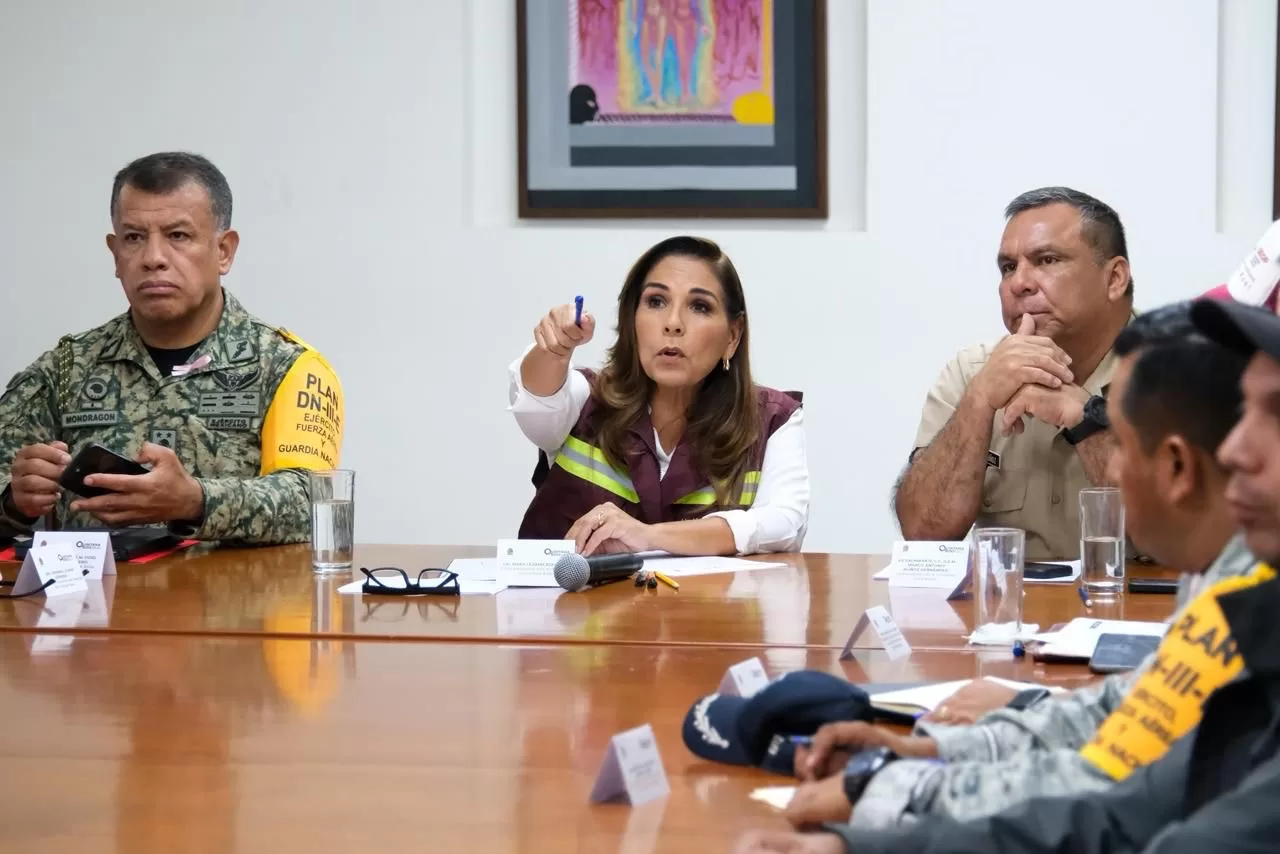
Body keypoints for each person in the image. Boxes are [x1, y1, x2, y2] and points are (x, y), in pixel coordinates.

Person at [731, 297, 1280, 853]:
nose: (1237, 449)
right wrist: (929, 751)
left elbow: (1108, 802)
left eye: (1272, 413)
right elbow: (1125, 716)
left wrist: (891, 793)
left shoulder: (1249, 587)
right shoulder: (1227, 575)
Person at [0, 152, 343, 544]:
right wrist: (14, 502)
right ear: (115, 254)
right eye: (134, 238)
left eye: (178, 236)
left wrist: (195, 501)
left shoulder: (287, 368)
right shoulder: (64, 370)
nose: (153, 258)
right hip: (102, 587)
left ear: (224, 251)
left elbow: (312, 503)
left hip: (231, 587)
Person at [508, 235, 808, 556]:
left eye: (699, 306)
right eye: (656, 301)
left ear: (732, 336)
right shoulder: (585, 401)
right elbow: (536, 405)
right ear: (632, 320)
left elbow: (784, 523)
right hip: (564, 591)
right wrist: (553, 350)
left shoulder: (772, 419)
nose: (673, 323)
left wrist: (649, 536)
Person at [895, 187, 1136, 559]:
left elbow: (1191, 536)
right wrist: (978, 401)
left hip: (1133, 597)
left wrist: (1087, 420)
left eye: (1047, 260)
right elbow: (923, 533)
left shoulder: (1178, 371)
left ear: (1114, 278)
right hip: (1008, 596)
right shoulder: (973, 371)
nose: (1018, 283)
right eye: (1008, 267)